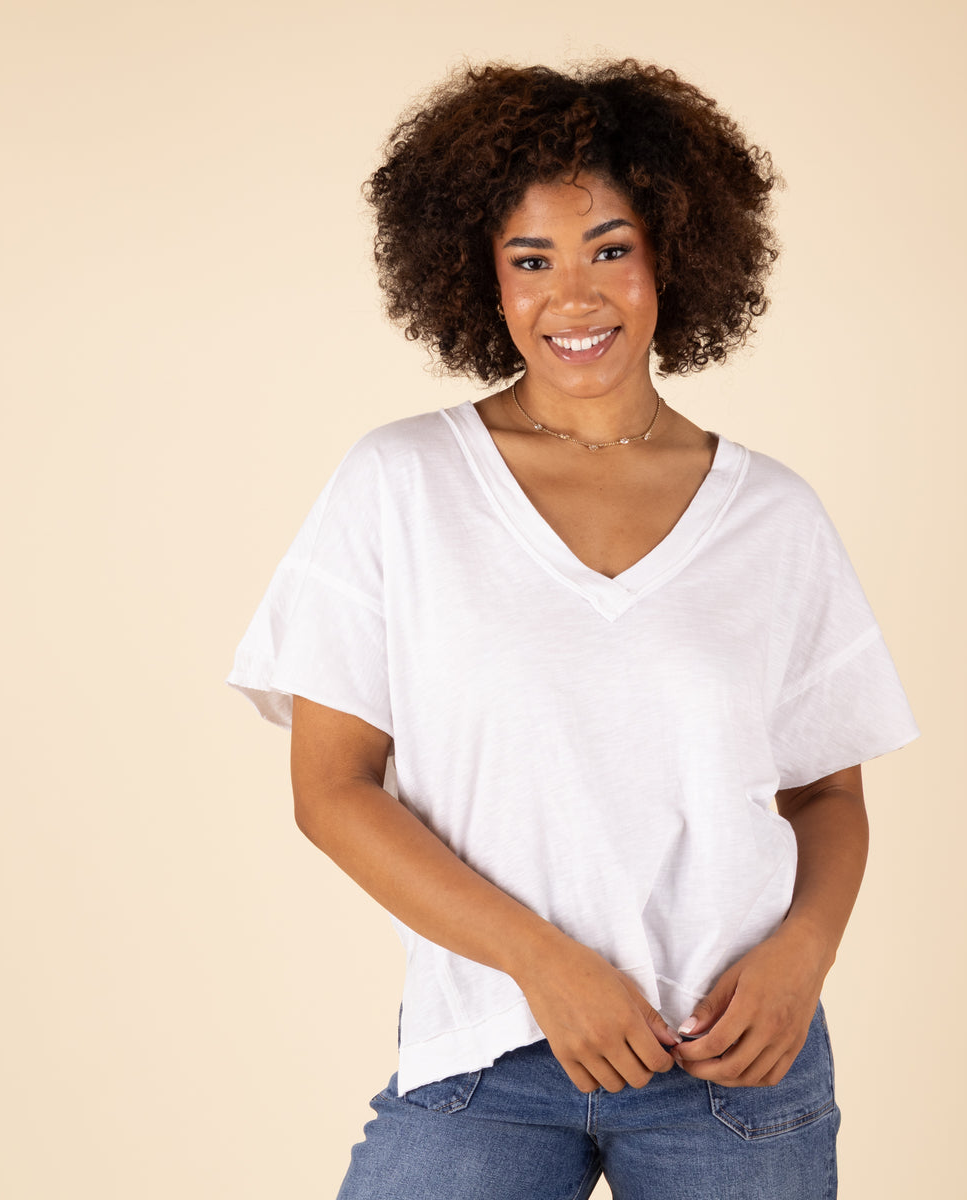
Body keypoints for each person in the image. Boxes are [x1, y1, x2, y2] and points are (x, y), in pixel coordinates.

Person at [226, 59, 919, 1200]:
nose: (575, 297)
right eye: (531, 260)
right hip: (488, 1049)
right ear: (481, 278)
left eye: (609, 248)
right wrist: (544, 966)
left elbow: (828, 796)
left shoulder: (773, 514)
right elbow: (331, 789)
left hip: (732, 1063)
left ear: (673, 256)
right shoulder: (400, 483)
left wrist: (803, 957)